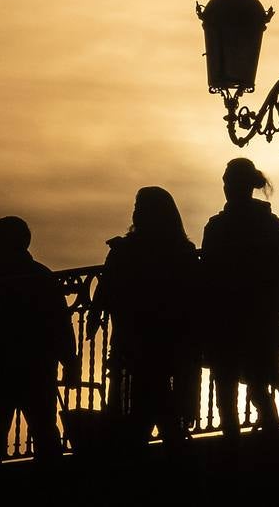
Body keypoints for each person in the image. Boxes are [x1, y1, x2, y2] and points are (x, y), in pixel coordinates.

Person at [0, 216, 77, 468]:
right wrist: (70, 362)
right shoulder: (42, 276)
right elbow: (60, 325)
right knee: (45, 435)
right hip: (36, 370)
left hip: (1, 370)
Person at [89, 186, 201, 447]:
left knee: (132, 418)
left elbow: (107, 288)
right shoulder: (181, 251)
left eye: (140, 208)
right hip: (164, 349)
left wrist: (97, 313)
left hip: (139, 348)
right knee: (163, 414)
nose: (136, 213)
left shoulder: (124, 251)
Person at [200, 158, 279, 437]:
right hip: (257, 319)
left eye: (229, 182)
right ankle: (271, 438)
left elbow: (207, 275)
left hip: (230, 319)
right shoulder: (273, 225)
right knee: (258, 384)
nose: (226, 187)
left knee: (228, 386)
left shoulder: (217, 227)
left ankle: (233, 446)